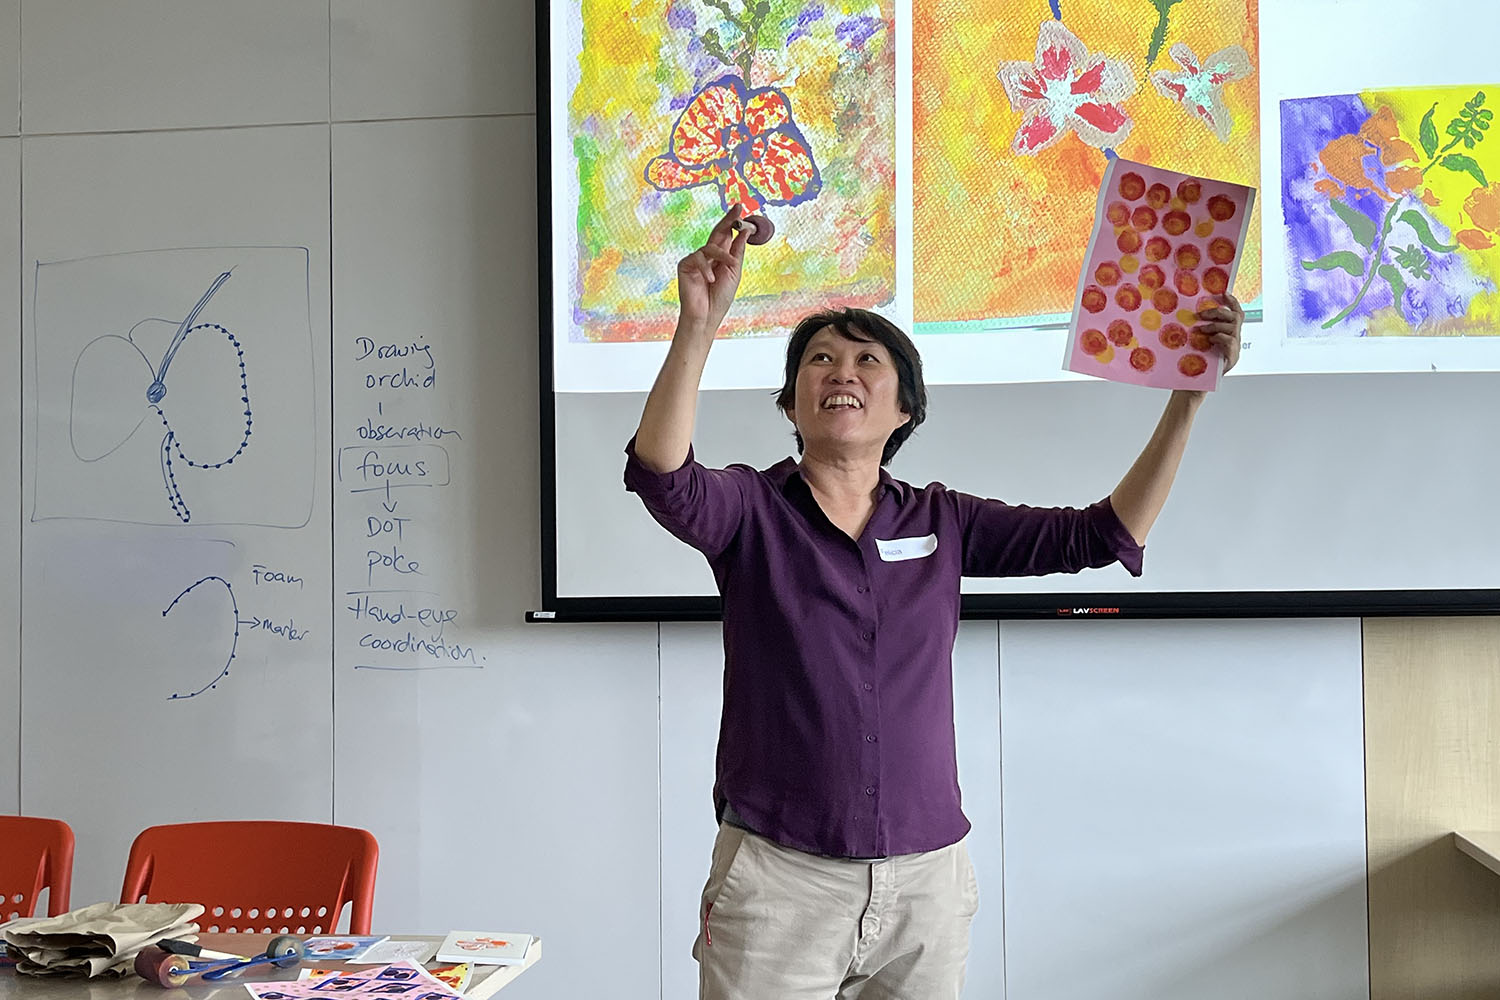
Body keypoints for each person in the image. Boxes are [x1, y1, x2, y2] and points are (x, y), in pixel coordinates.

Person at [624, 205, 1243, 1000]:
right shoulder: (750, 511)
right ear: (791, 405)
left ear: (905, 408)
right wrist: (698, 326)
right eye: (818, 359)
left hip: (928, 881)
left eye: (866, 359)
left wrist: (1188, 399)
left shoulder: (941, 520)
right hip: (781, 879)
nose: (841, 371)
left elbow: (1104, 532)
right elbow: (665, 476)